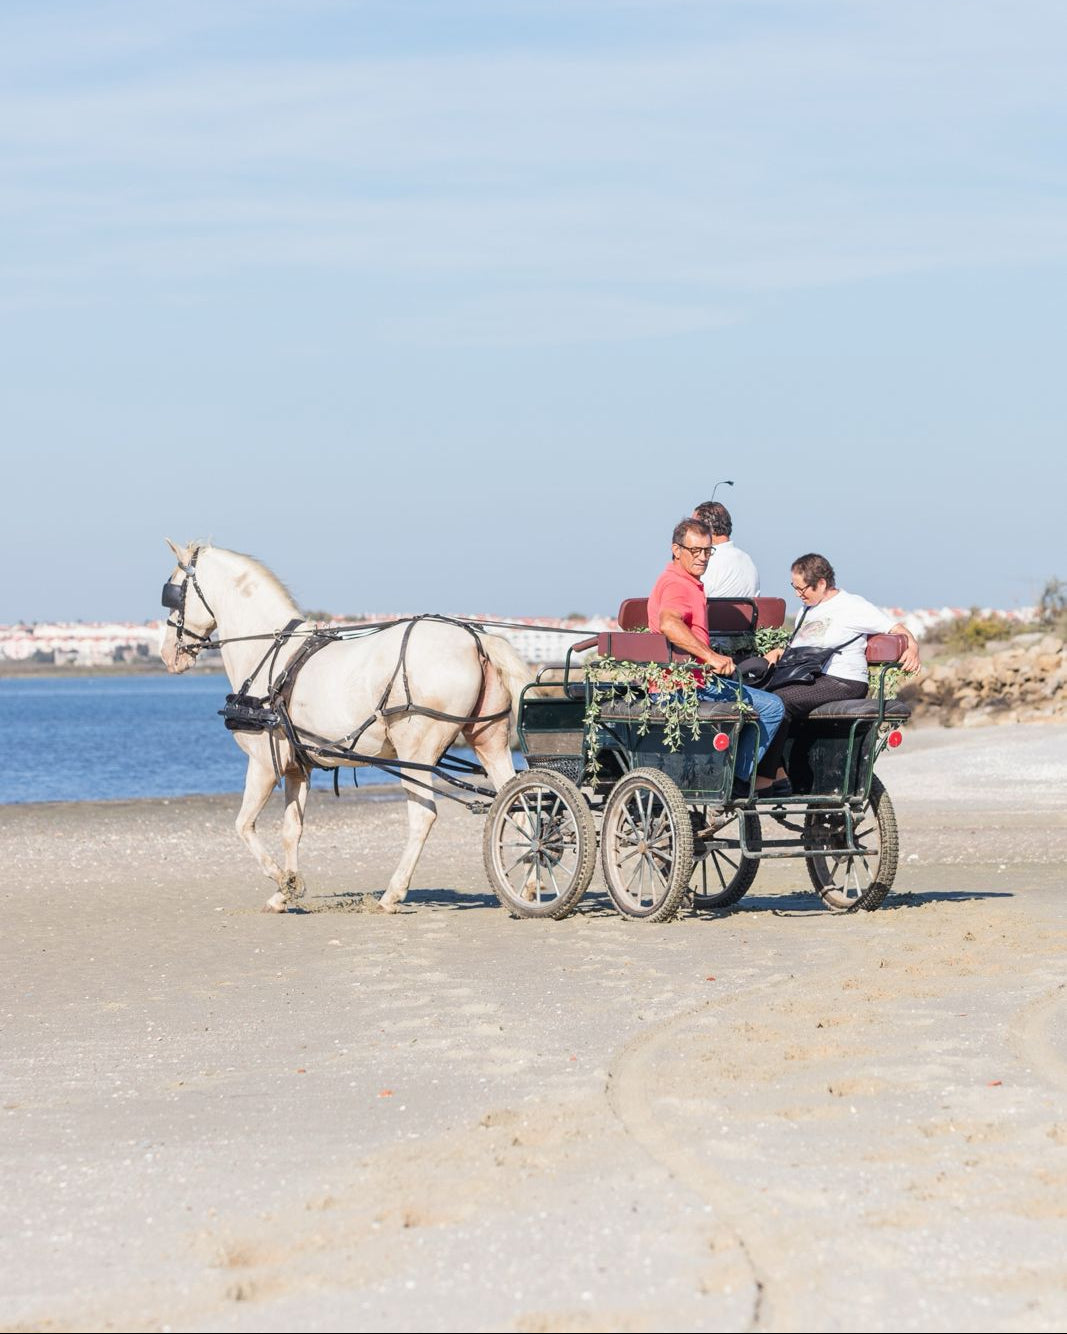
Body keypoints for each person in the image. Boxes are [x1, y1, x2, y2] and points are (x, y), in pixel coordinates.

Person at [755, 553, 921, 794]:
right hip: (812, 678)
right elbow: (806, 645)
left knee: (779, 702)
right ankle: (779, 772)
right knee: (761, 697)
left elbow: (895, 628)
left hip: (844, 680)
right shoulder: (807, 609)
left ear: (821, 583)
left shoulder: (852, 606)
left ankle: (767, 777)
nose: (798, 594)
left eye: (803, 589)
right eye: (795, 588)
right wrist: (779, 651)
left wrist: (913, 646)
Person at [648, 518, 785, 793]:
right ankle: (735, 780)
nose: (702, 558)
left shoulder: (685, 581)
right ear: (676, 550)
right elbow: (669, 623)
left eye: (707, 551)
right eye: (695, 550)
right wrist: (710, 657)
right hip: (685, 687)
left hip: (687, 682)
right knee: (772, 707)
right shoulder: (678, 585)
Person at [693, 500, 759, 597]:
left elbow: (691, 600)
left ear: (706, 529)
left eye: (693, 527)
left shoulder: (706, 562)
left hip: (715, 612)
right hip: (748, 612)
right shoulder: (748, 560)